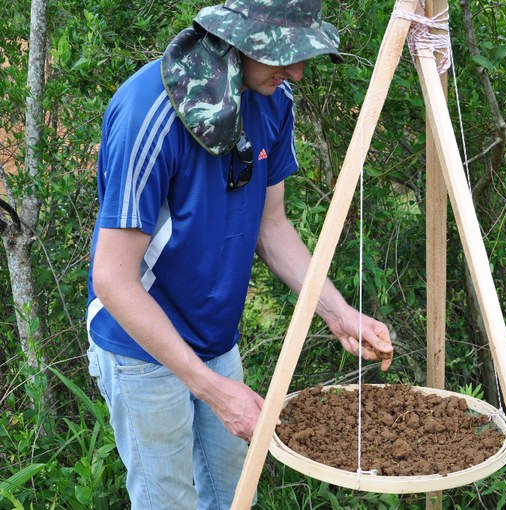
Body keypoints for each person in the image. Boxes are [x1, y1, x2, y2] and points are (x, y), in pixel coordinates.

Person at [85, 1, 394, 508]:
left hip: (216, 337)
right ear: (237, 41)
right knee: (168, 502)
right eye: (284, 55)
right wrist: (211, 389)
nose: (295, 71)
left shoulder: (274, 99)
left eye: (302, 56)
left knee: (236, 494)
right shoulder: (150, 114)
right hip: (140, 350)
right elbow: (113, 280)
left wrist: (338, 315)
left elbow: (271, 229)